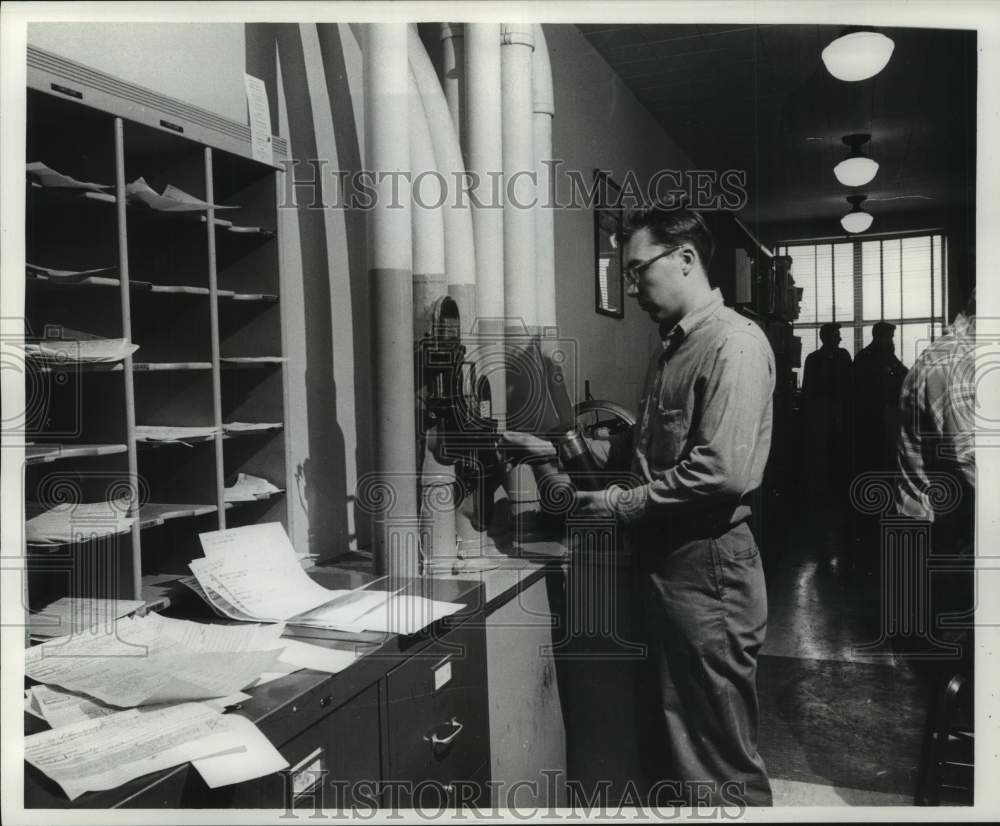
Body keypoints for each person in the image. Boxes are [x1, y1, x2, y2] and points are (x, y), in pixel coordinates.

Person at [566, 207, 775, 807]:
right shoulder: (672, 350)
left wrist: (620, 504)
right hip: (670, 567)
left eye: (638, 271)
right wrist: (557, 446)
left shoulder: (732, 344)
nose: (632, 289)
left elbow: (722, 472)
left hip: (708, 571)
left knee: (718, 760)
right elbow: (647, 451)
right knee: (679, 743)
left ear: (685, 258)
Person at [799, 322, 853, 505]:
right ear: (826, 337)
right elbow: (808, 391)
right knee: (823, 455)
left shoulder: (842, 356)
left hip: (838, 413)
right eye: (836, 334)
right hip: (822, 415)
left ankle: (835, 494)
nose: (840, 337)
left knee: (838, 454)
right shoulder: (814, 359)